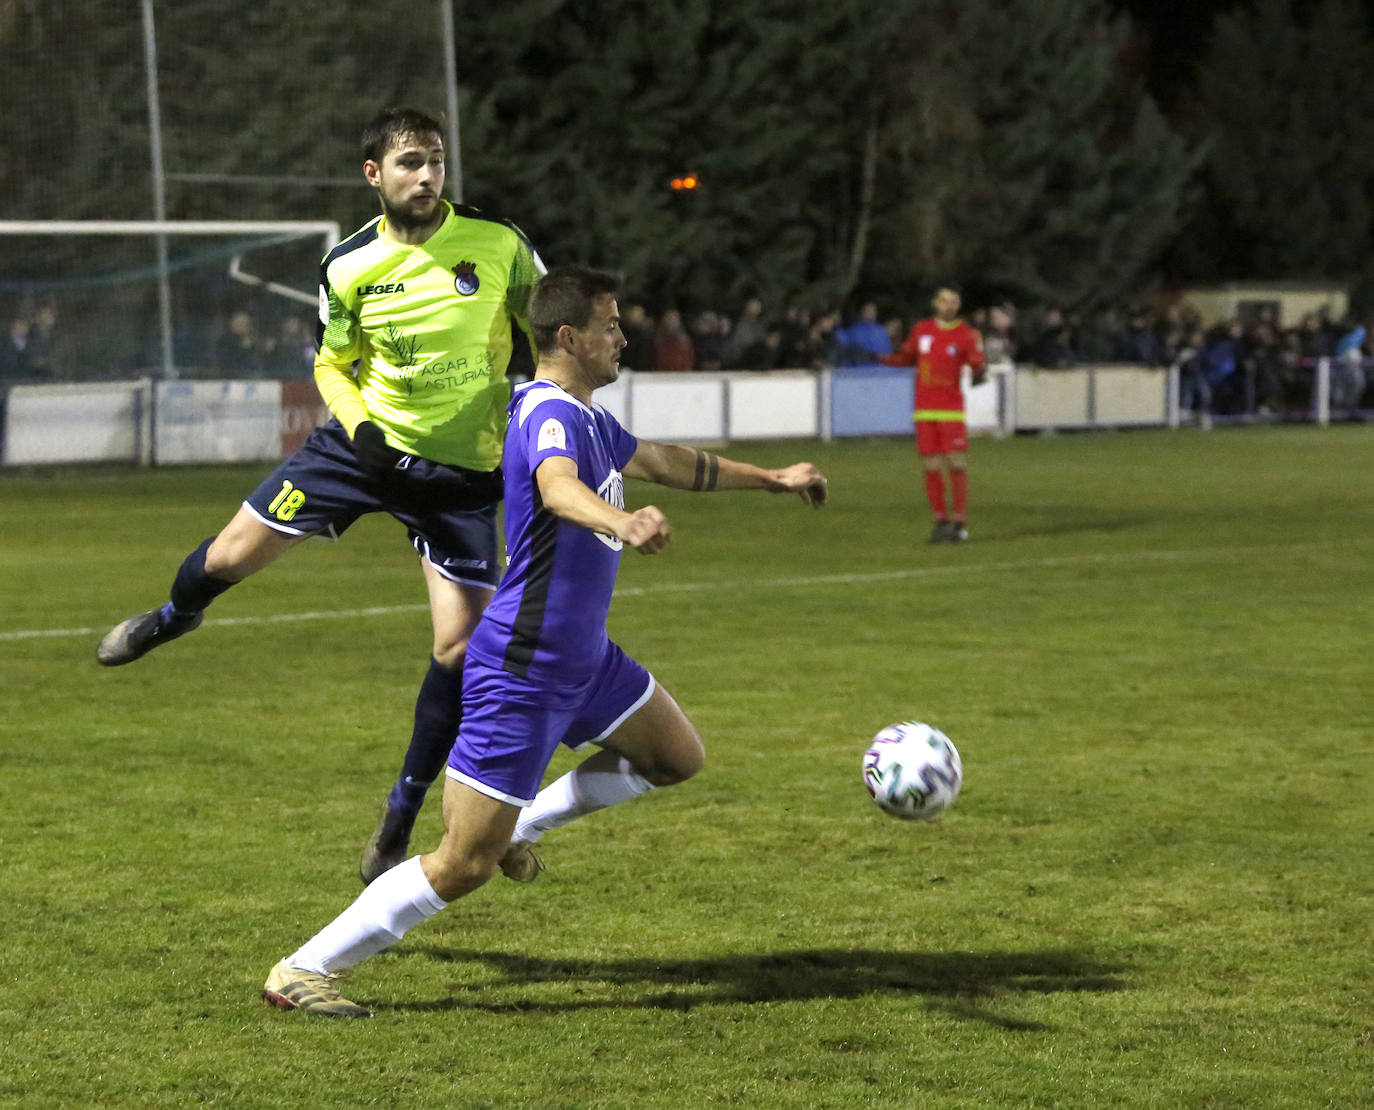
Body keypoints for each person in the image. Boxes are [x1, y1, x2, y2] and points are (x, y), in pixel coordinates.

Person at [261, 265, 828, 1017]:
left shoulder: (591, 418)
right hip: (524, 664)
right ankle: (303, 968)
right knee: (464, 864)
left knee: (675, 757)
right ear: (570, 337)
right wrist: (620, 521)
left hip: (583, 659)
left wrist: (773, 478)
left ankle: (523, 820)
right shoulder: (546, 413)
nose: (624, 337)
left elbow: (664, 460)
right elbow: (558, 487)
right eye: (612, 326)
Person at [96, 107, 546, 885]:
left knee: (461, 648)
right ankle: (174, 616)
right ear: (374, 175)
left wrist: (542, 420)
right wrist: (361, 427)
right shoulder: (347, 265)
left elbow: (544, 336)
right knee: (229, 557)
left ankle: (400, 814)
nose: (427, 175)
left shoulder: (500, 243)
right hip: (359, 452)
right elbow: (333, 362)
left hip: (459, 475)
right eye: (409, 163)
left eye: (435, 161)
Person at [884, 285, 985, 543]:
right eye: (944, 301)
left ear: (958, 305)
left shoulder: (966, 334)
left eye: (953, 301)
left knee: (956, 464)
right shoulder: (922, 330)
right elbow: (906, 357)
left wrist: (979, 369)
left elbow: (977, 364)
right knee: (930, 466)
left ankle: (959, 523)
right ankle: (940, 520)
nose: (949, 305)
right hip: (924, 410)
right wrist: (879, 358)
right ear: (935, 303)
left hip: (950, 410)